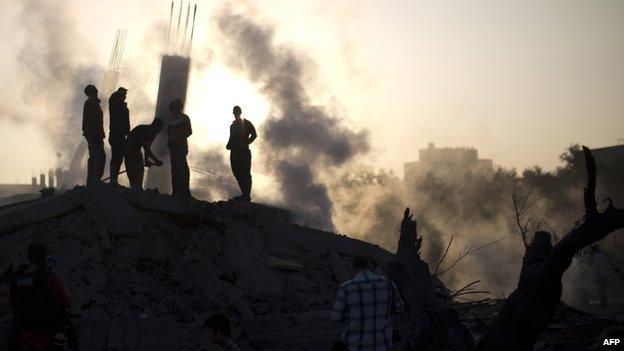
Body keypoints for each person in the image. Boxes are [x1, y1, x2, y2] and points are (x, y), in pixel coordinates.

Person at [8, 242, 76, 351]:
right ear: (44, 257)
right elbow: (67, 301)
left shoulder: (16, 280)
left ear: (28, 257)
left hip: (23, 336)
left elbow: (12, 306)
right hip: (47, 337)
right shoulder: (52, 279)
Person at [331, 255, 404, 351]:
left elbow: (335, 318)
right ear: (369, 266)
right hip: (382, 343)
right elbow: (399, 308)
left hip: (355, 344)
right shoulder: (389, 283)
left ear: (353, 267)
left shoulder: (345, 287)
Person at [226, 105, 257, 202]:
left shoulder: (247, 123)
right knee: (237, 173)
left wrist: (246, 142)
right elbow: (231, 138)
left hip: (243, 152)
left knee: (245, 173)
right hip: (234, 152)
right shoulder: (232, 125)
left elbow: (254, 134)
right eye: (234, 113)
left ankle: (247, 195)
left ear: (239, 113)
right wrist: (229, 145)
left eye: (236, 112)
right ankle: (244, 194)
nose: (235, 114)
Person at [124, 118, 164, 190]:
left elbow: (147, 148)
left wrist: (146, 160)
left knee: (139, 170)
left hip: (135, 149)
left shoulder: (153, 133)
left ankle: (137, 188)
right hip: (129, 149)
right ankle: (136, 189)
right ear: (156, 126)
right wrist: (156, 160)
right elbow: (147, 149)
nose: (162, 130)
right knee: (134, 172)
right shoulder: (148, 131)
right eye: (161, 127)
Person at [167, 99, 192, 198]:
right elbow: (169, 132)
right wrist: (170, 142)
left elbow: (189, 131)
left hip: (181, 147)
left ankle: (185, 192)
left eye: (174, 107)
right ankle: (176, 192)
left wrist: (177, 140)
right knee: (174, 169)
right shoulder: (170, 118)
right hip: (173, 148)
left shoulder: (184, 118)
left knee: (182, 169)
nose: (173, 110)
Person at [82, 84, 106, 186]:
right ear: (92, 91)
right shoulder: (92, 103)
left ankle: (91, 181)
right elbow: (94, 119)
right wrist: (97, 133)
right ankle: (96, 180)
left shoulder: (93, 102)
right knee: (100, 156)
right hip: (94, 133)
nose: (97, 89)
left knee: (93, 157)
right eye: (94, 88)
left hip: (92, 133)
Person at [108, 87, 130, 185]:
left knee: (117, 157)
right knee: (116, 156)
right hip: (117, 135)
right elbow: (124, 122)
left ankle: (114, 179)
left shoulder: (118, 106)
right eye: (124, 95)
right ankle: (113, 179)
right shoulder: (118, 107)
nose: (125, 97)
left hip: (118, 135)